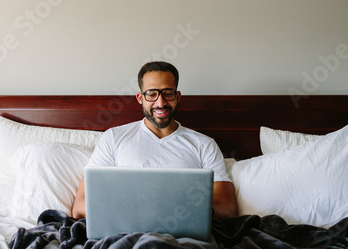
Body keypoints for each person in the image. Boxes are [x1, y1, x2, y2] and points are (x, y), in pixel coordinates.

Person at [72, 61, 238, 219]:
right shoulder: (113, 138)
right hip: (125, 229)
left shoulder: (204, 145)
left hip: (181, 232)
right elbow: (80, 205)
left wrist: (184, 212)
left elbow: (227, 207)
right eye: (151, 94)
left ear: (178, 96)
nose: (160, 102)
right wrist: (125, 212)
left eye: (168, 93)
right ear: (139, 98)